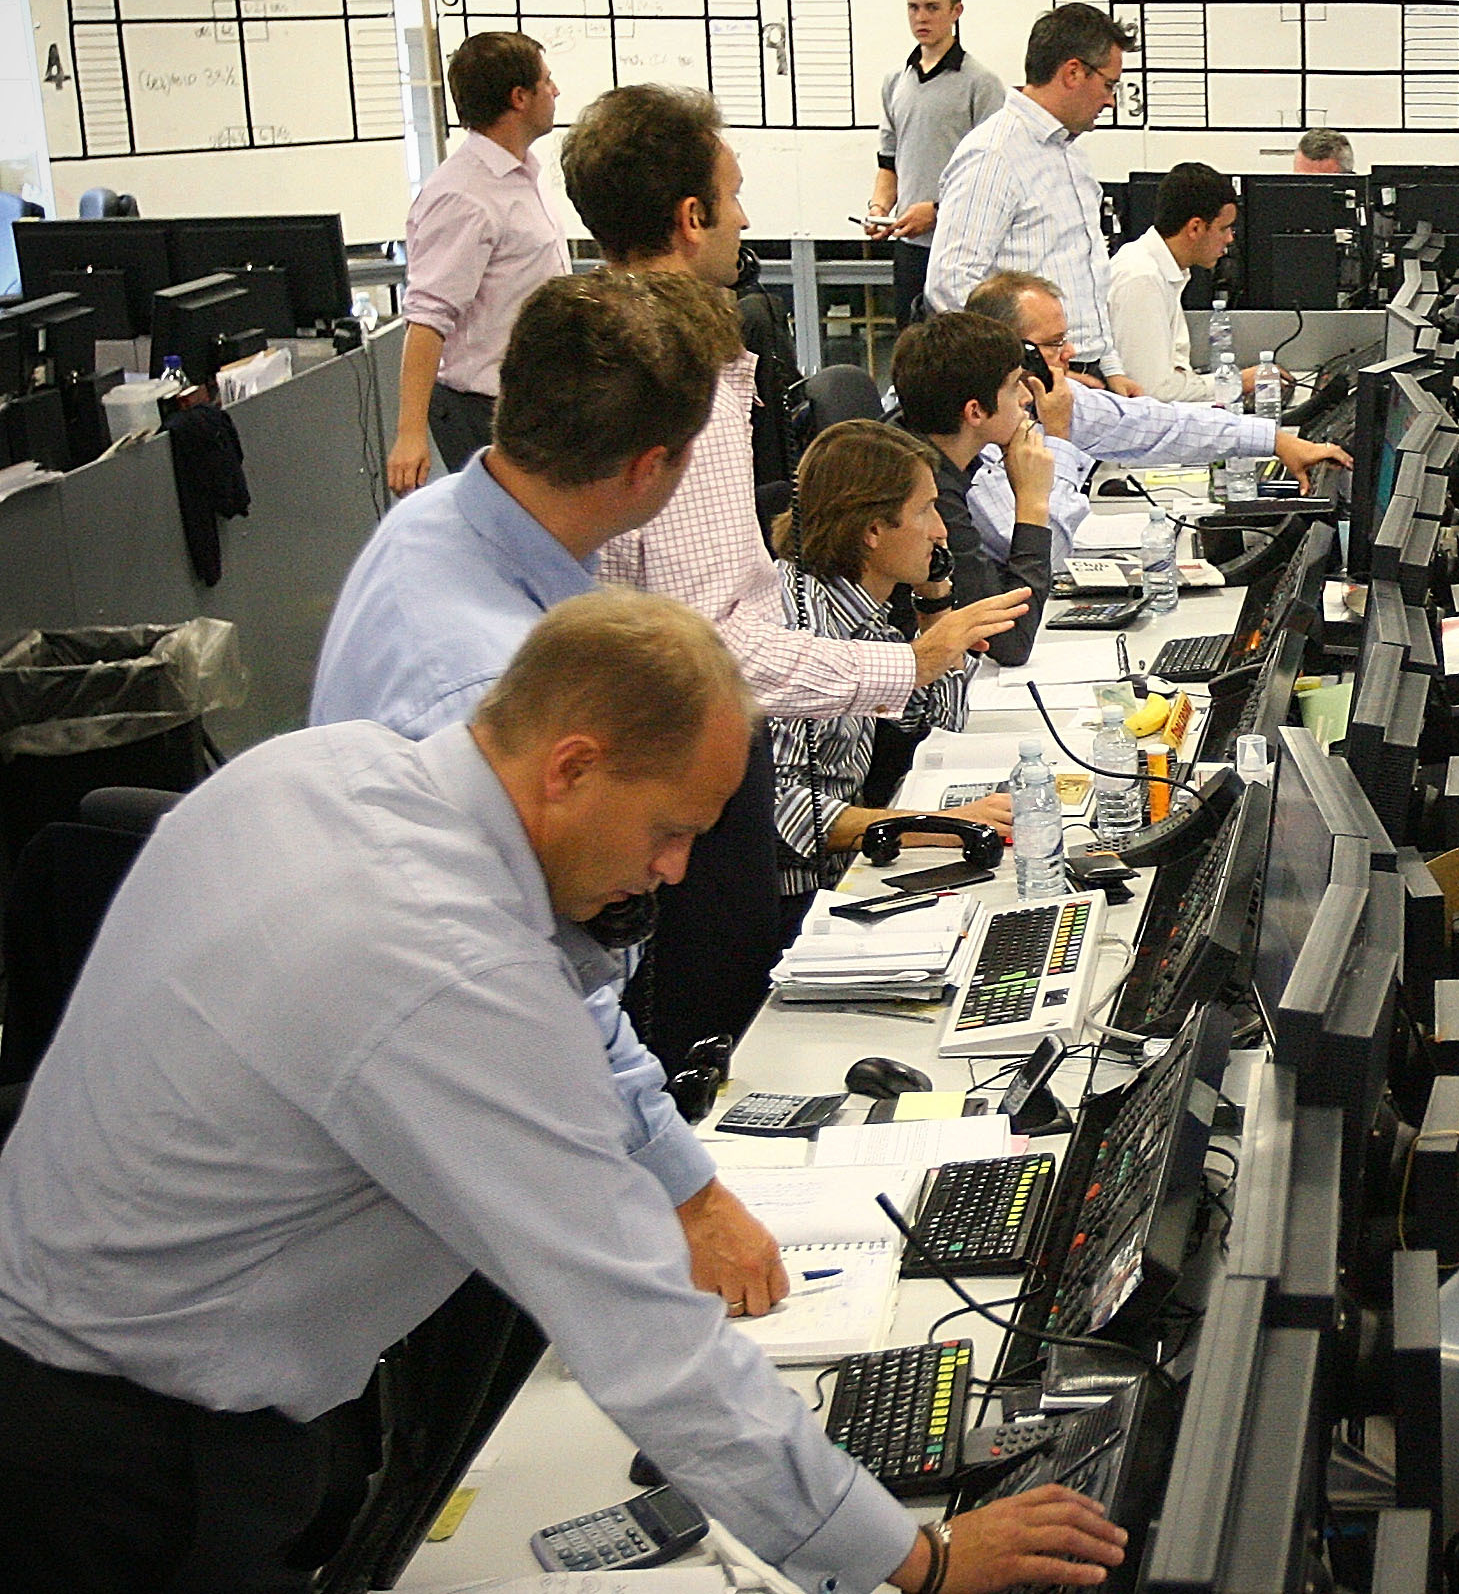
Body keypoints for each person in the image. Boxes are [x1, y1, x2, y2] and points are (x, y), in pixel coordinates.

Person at [0, 593, 1128, 1594]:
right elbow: (647, 1341)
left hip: (74, 1328)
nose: (675, 869)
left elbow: (547, 990)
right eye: (671, 831)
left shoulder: (322, 767)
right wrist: (922, 1561)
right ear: (572, 766)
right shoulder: (447, 972)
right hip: (130, 1456)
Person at [312, 268, 797, 1318]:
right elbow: (544, 997)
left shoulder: (439, 523)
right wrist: (687, 1191)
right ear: (653, 467)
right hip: (457, 1160)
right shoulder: (490, 686)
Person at [564, 84, 1026, 1063]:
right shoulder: (667, 388)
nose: (746, 220)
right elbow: (711, 649)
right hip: (694, 780)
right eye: (733, 197)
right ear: (690, 218)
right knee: (718, 1043)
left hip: (706, 769)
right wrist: (907, 664)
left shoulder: (672, 364)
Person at [768, 422, 1014, 940]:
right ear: (873, 530)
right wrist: (938, 826)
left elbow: (941, 728)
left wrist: (935, 602)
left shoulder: (859, 610)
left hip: (849, 876)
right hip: (793, 912)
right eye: (925, 511)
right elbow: (781, 809)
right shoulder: (800, 627)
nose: (941, 531)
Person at [962, 270, 1349, 570]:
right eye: (1054, 343)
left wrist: (1275, 441)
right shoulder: (977, 431)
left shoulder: (1046, 398)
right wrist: (1060, 438)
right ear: (1012, 351)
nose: (1071, 353)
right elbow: (1045, 557)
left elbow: (1154, 425)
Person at [387, 31, 568, 494]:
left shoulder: (521, 174)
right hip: (482, 412)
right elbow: (427, 318)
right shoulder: (463, 195)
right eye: (547, 81)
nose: (556, 90)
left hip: (530, 404)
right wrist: (410, 435)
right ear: (519, 97)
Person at [923, 2, 1141, 383]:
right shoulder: (993, 155)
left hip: (1085, 372)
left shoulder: (1071, 155)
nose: (1110, 100)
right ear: (1073, 73)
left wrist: (1112, 369)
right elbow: (950, 287)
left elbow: (1087, 277)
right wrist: (1032, 372)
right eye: (1109, 85)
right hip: (1035, 383)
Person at [869, 0, 1011, 330]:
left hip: (965, 249)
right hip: (910, 248)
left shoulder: (981, 84)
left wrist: (937, 210)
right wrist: (878, 208)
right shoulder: (895, 82)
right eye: (913, 7)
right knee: (912, 344)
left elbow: (995, 175)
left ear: (955, 11)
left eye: (932, 7)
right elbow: (889, 162)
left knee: (963, 345)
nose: (921, 17)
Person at [889, 308, 1057, 622]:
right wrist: (1032, 504)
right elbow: (1005, 637)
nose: (1025, 397)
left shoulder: (911, 442)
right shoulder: (928, 491)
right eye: (1013, 386)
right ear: (975, 412)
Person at [1106, 161, 1237, 405]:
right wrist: (1231, 383)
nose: (1229, 238)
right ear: (1195, 228)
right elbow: (1153, 391)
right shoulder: (1141, 278)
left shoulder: (1163, 270)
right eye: (1224, 228)